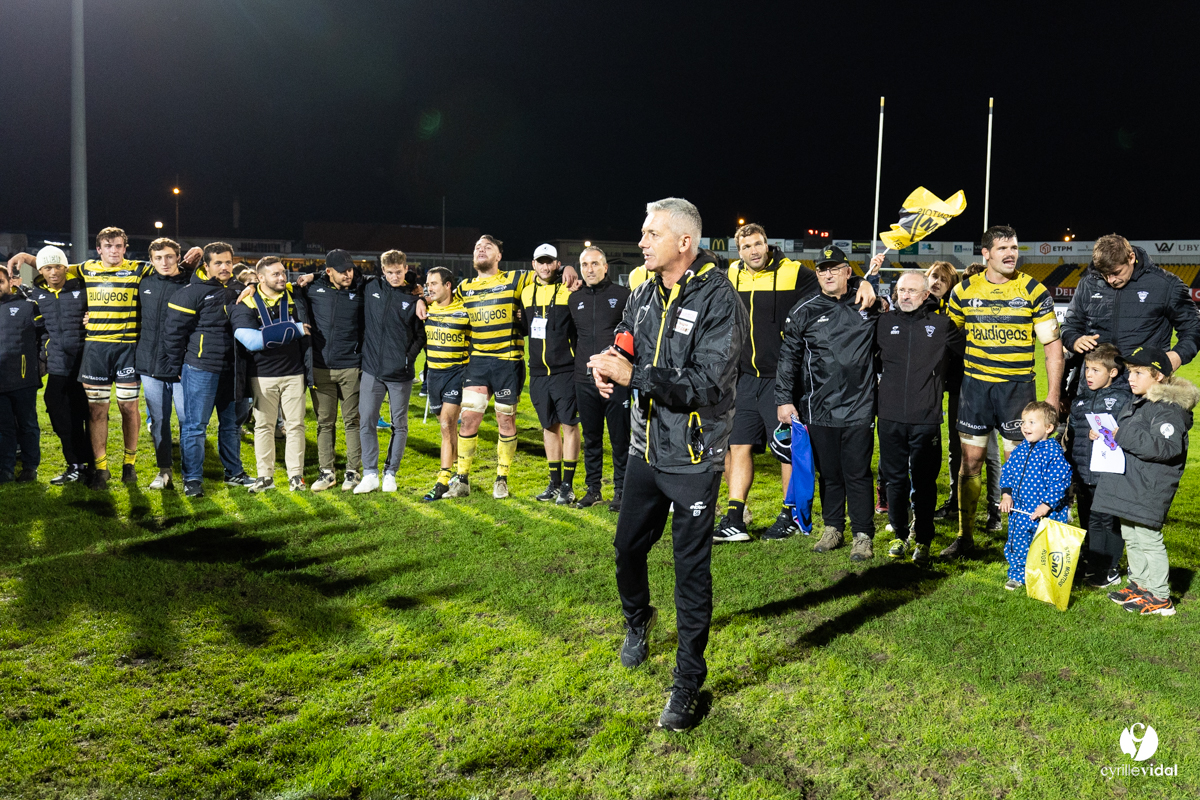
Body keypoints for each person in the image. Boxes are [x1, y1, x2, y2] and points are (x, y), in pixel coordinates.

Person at [589, 197, 747, 732]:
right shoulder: (643, 291)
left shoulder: (719, 299)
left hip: (693, 459)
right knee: (627, 548)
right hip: (643, 450)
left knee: (690, 573)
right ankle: (639, 621)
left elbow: (707, 384)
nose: (640, 241)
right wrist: (613, 366)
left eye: (651, 233)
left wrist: (639, 379)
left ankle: (687, 683)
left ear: (684, 242)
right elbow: (628, 340)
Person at [8, 227, 201, 489]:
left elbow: (170, 266)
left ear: (125, 247)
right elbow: (55, 265)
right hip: (96, 349)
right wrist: (24, 255)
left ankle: (129, 464)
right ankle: (101, 469)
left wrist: (195, 254)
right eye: (108, 246)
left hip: (127, 349)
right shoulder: (87, 268)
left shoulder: (139, 269)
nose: (114, 250)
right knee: (97, 411)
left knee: (128, 408)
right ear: (99, 249)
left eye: (119, 246)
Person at [717, 225, 875, 543]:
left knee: (787, 451)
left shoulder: (792, 272)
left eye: (759, 243)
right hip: (745, 377)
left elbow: (831, 281)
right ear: (739, 250)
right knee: (738, 445)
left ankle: (790, 513)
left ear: (768, 244)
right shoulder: (731, 274)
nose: (754, 250)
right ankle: (735, 516)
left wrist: (863, 281)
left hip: (781, 377)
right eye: (746, 246)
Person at [942, 226, 1063, 558]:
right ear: (985, 253)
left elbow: (1053, 348)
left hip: (1018, 394)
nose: (1011, 253)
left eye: (1014, 247)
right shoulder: (963, 292)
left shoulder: (1034, 290)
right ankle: (965, 536)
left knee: (1020, 465)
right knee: (970, 462)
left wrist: (1052, 397)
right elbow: (949, 340)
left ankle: (1021, 539)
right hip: (975, 391)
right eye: (1003, 248)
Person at [443, 236, 578, 500]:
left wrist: (568, 268)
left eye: (487, 247)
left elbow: (545, 271)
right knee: (469, 418)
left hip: (508, 361)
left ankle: (501, 478)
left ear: (498, 256)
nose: (480, 250)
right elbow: (440, 298)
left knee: (506, 420)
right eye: (477, 247)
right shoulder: (464, 287)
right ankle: (462, 479)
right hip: (478, 362)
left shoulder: (516, 279)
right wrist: (420, 300)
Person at [776, 245, 883, 562]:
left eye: (835, 268)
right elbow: (788, 360)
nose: (828, 273)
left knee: (858, 473)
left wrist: (866, 281)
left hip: (860, 407)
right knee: (830, 474)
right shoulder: (803, 310)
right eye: (823, 269)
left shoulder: (868, 302)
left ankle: (863, 535)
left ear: (848, 272)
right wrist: (784, 399)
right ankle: (833, 528)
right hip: (818, 407)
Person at [1094, 347, 1195, 616]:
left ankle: (1161, 596)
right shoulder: (1141, 402)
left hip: (1150, 487)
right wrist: (1107, 436)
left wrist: (1121, 434)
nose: (1131, 378)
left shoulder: (1169, 410)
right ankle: (1140, 585)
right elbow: (1128, 436)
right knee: (1131, 535)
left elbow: (1165, 448)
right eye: (1130, 372)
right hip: (1132, 484)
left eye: (1138, 372)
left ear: (1158, 376)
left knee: (1149, 539)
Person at [874, 268, 963, 564]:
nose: (906, 296)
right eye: (902, 291)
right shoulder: (883, 323)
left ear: (926, 295)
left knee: (924, 483)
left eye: (913, 291)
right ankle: (900, 534)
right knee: (895, 481)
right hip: (889, 418)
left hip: (926, 420)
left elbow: (965, 360)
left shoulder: (942, 325)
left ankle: (923, 538)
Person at [157, 242, 252, 497]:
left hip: (233, 369)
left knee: (231, 426)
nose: (224, 267)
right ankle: (193, 480)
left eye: (228, 263)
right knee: (195, 426)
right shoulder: (191, 292)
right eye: (218, 263)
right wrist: (178, 366)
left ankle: (234, 473)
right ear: (207, 265)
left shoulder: (240, 289)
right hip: (200, 368)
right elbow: (173, 334)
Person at [1062, 234, 1200, 377]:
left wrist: (1178, 355)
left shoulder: (1166, 285)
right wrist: (1075, 340)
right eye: (1104, 274)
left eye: (1116, 273)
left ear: (1131, 258)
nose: (1111, 280)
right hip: (1096, 386)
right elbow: (1070, 326)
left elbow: (1193, 327)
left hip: (1145, 385)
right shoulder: (1087, 284)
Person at [231, 256, 313, 493]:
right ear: (260, 278)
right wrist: (295, 329)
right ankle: (265, 476)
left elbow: (322, 282)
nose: (282, 278)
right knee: (264, 426)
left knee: (295, 425)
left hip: (294, 372)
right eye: (275, 274)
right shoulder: (246, 302)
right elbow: (252, 341)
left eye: (283, 273)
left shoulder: (294, 295)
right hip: (262, 374)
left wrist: (312, 275)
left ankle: (295, 476)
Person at [354, 249, 425, 494]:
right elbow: (342, 277)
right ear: (382, 270)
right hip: (372, 369)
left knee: (399, 424)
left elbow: (420, 335)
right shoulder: (371, 288)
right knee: (367, 421)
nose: (395, 276)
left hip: (399, 373)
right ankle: (370, 473)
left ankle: (390, 473)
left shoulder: (414, 297)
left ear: (406, 269)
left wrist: (408, 359)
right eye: (390, 272)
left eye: (399, 271)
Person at [296, 250, 366, 492]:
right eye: (342, 270)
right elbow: (277, 286)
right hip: (321, 367)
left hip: (351, 367)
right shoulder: (311, 289)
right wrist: (251, 286)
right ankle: (327, 473)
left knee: (352, 422)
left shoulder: (361, 289)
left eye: (350, 269)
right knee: (325, 423)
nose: (348, 274)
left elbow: (389, 281)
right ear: (328, 271)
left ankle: (353, 472)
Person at [568, 246, 631, 511]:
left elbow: (631, 336)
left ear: (606, 267)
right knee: (591, 438)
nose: (590, 269)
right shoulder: (574, 299)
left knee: (620, 438)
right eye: (585, 265)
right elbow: (573, 337)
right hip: (585, 381)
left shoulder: (623, 295)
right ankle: (593, 489)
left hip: (616, 381)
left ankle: (621, 491)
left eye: (595, 264)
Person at [1065, 343, 1131, 587]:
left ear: (1112, 373)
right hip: (1084, 473)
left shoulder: (1124, 399)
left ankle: (1110, 567)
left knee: (1108, 521)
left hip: (1110, 474)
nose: (1088, 375)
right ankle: (1093, 564)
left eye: (1095, 370)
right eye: (1087, 369)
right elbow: (1072, 437)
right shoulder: (1079, 401)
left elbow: (1130, 434)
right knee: (1090, 519)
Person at [520, 244, 580, 505]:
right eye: (540, 262)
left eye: (550, 262)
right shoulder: (525, 292)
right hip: (537, 373)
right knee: (548, 427)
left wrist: (571, 269)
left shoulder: (570, 289)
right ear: (534, 264)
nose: (545, 267)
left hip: (565, 370)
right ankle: (554, 483)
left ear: (557, 264)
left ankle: (568, 485)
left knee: (569, 425)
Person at [31, 246, 92, 485]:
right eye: (47, 267)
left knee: (84, 413)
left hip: (84, 362)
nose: (53, 272)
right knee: (56, 407)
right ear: (41, 271)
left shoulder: (82, 289)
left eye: (58, 266)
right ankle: (76, 463)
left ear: (66, 268)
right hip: (57, 363)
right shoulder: (36, 295)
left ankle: (90, 465)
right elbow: (38, 330)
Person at [997, 402, 1072, 590]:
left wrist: (1047, 505)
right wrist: (1007, 495)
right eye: (1023, 422)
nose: (1025, 427)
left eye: (1031, 422)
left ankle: (1047, 577)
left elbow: (1060, 481)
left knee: (1045, 546)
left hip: (1046, 513)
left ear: (1048, 428)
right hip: (1020, 511)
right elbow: (1007, 471)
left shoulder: (1053, 453)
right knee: (1018, 542)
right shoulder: (1021, 449)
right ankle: (1017, 574)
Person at [136, 238, 192, 490]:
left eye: (169, 256)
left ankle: (191, 474)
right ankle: (164, 471)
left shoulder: (191, 283)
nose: (164, 262)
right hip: (149, 365)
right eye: (158, 258)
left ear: (178, 257)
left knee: (187, 421)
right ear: (151, 260)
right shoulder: (144, 284)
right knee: (159, 420)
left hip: (182, 367)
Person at [421, 267, 470, 501]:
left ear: (448, 285)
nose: (429, 288)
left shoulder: (463, 311)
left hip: (456, 372)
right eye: (428, 284)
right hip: (434, 375)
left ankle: (442, 480)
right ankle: (461, 476)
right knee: (447, 429)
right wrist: (420, 300)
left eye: (434, 284)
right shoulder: (426, 309)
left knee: (447, 424)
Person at [0, 265, 44, 483]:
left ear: (10, 281)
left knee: (27, 425)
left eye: (0, 282)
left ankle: (30, 467)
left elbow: (45, 335)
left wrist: (42, 362)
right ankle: (6, 469)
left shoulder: (28, 306)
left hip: (23, 378)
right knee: (4, 427)